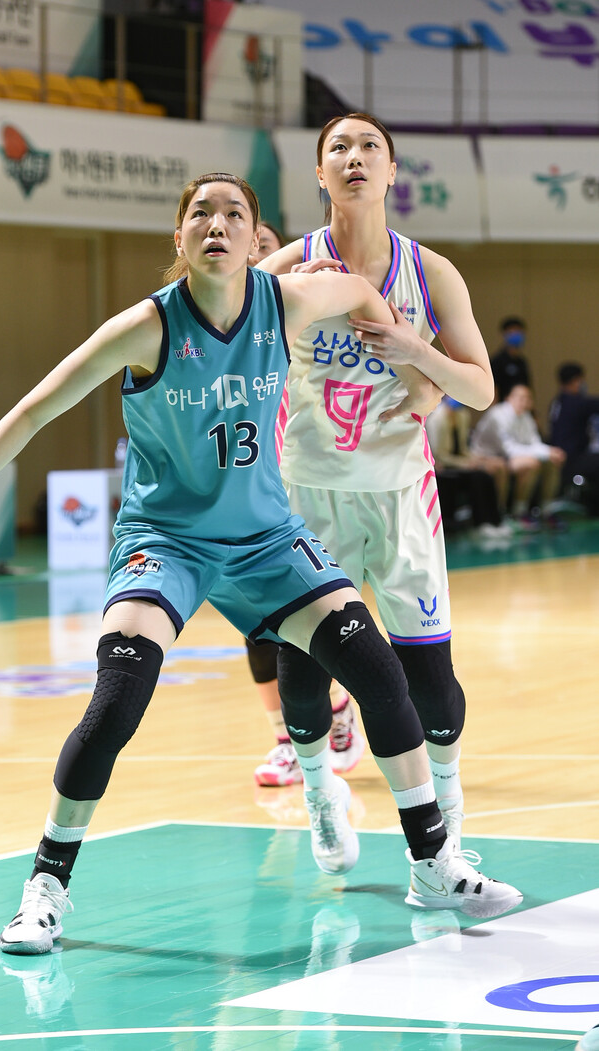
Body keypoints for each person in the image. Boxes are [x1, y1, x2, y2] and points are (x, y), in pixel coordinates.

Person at [0, 172, 522, 958]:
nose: (217, 224)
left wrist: (418, 380)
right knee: (118, 699)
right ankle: (45, 888)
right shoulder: (146, 327)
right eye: (201, 213)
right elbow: (33, 410)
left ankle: (432, 862)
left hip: (265, 537)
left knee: (377, 668)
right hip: (168, 541)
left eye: (234, 213)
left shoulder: (286, 300)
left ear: (256, 239)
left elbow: (365, 289)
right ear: (181, 236)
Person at [257, 112, 497, 859]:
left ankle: (448, 811)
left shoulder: (431, 273)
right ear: (320, 173)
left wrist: (416, 350)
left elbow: (481, 388)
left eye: (370, 147)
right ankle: (320, 791)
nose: (354, 157)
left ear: (392, 171)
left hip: (400, 496)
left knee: (430, 681)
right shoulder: (289, 268)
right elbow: (226, 346)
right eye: (339, 148)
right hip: (309, 497)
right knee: (302, 674)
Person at [249, 221, 365, 786]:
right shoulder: (214, 327)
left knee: (311, 617)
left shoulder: (300, 319)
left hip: (302, 483)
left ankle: (333, 707)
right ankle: (289, 739)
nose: (256, 258)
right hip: (243, 489)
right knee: (258, 628)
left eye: (266, 250)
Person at [470, 383, 566, 529]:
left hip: (507, 457)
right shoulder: (497, 415)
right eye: (521, 397)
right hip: (486, 458)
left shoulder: (526, 416)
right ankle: (516, 513)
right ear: (509, 398)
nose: (525, 401)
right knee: (531, 463)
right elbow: (510, 449)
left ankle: (546, 511)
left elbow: (534, 443)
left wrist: (551, 452)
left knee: (552, 462)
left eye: (528, 398)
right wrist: (546, 453)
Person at [426, 395, 512, 538]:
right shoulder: (436, 419)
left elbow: (463, 449)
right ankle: (481, 523)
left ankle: (496, 521)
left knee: (487, 474)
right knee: (478, 477)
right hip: (443, 467)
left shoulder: (462, 415)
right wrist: (466, 464)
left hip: (459, 463)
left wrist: (478, 460)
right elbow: (439, 456)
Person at [548, 361, 599, 507]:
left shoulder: (557, 402)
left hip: (559, 456)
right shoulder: (576, 402)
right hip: (571, 459)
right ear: (576, 381)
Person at [490, 316, 532, 401]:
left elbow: (527, 387)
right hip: (503, 405)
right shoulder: (497, 361)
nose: (516, 335)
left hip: (521, 405)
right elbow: (494, 388)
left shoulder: (522, 361)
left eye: (518, 332)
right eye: (513, 332)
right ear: (505, 334)